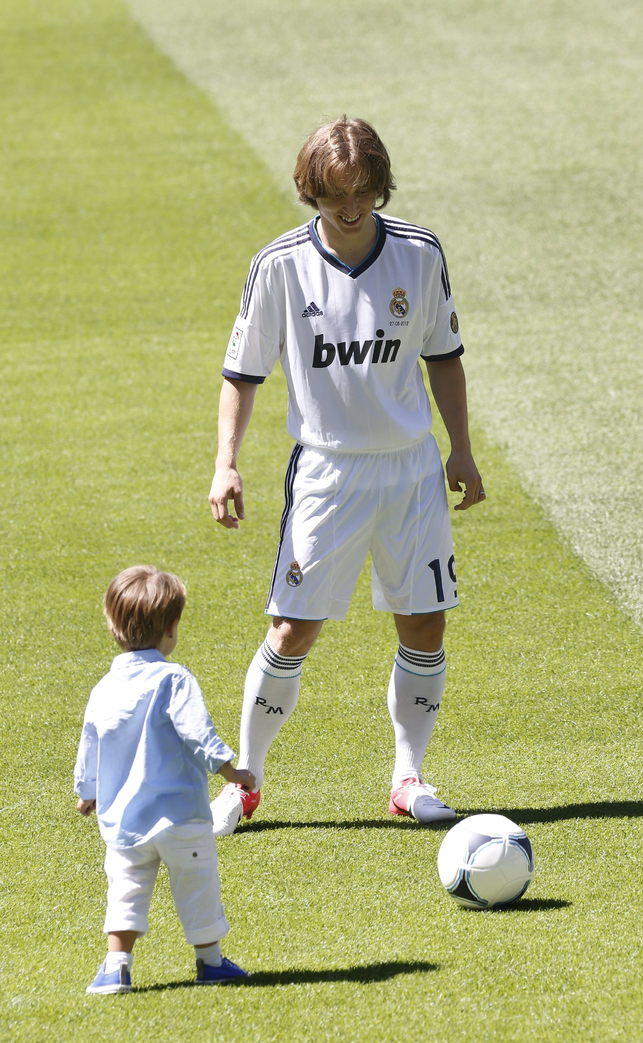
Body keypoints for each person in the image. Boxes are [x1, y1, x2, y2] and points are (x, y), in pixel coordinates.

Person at [208, 116, 485, 836]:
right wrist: (226, 462)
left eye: (364, 190)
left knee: (424, 621)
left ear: (380, 185)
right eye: (335, 195)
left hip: (410, 470)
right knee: (293, 628)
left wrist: (461, 446)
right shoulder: (279, 265)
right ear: (312, 191)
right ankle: (246, 784)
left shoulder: (420, 255)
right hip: (328, 472)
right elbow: (242, 372)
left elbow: (444, 353)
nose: (352, 206)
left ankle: (409, 776)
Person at [74, 565, 256, 994]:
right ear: (172, 627)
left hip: (125, 822)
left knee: (126, 889)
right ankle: (210, 961)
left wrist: (88, 791)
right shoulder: (174, 679)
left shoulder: (103, 688)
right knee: (198, 885)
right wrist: (232, 771)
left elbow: (90, 742)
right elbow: (198, 733)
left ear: (112, 626)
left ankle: (115, 967)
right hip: (180, 817)